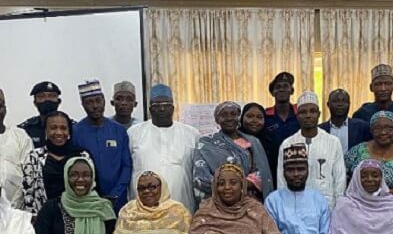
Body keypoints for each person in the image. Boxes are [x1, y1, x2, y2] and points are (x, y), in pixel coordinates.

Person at [129, 84, 200, 212]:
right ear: (149, 109)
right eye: (156, 105)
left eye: (166, 104)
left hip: (182, 202)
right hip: (143, 204)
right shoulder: (134, 133)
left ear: (173, 107)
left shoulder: (191, 133)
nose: (161, 109)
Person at [193, 101, 273, 206]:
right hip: (217, 203)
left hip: (248, 202)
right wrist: (227, 189)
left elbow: (260, 172)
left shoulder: (252, 142)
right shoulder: (206, 143)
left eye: (233, 114)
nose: (229, 118)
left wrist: (239, 186)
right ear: (217, 119)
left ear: (239, 118)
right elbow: (201, 176)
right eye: (224, 115)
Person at [276, 91, 346, 209]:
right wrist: (286, 207)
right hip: (296, 205)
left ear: (319, 114)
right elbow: (281, 180)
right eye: (303, 112)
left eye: (312, 111)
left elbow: (339, 179)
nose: (308, 115)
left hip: (327, 205)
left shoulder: (333, 142)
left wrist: (337, 208)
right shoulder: (288, 144)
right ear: (297, 116)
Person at [72, 80, 132, 212]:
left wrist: (115, 194)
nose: (94, 106)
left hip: (117, 200)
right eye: (89, 102)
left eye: (98, 101)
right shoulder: (75, 131)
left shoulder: (119, 131)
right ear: (82, 104)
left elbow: (126, 165)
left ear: (104, 101)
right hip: (87, 201)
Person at [22, 110, 90, 218]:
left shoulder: (82, 156)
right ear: (45, 131)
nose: (58, 132)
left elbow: (91, 191)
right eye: (53, 128)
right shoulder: (34, 157)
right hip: (44, 220)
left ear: (69, 132)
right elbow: (28, 193)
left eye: (63, 128)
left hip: (77, 218)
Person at [345, 111, 393, 199]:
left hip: (391, 208)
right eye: (377, 128)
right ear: (371, 130)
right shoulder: (357, 151)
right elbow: (342, 177)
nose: (383, 132)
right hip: (356, 205)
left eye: (389, 128)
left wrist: (380, 193)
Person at [352, 64, 393, 139]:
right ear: (371, 87)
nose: (383, 88)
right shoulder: (361, 114)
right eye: (378, 84)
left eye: (387, 84)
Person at [262, 72, 299, 182]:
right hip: (272, 168)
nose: (281, 90)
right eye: (277, 87)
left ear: (291, 91)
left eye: (285, 86)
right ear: (272, 93)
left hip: (298, 167)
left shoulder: (300, 114)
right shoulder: (265, 116)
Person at [319, 89, 372, 154]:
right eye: (335, 101)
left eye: (344, 101)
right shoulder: (320, 130)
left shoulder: (362, 127)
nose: (340, 104)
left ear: (349, 104)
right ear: (328, 104)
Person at [17, 81, 66, 148]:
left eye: (51, 96)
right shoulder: (25, 129)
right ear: (35, 103)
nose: (47, 100)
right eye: (41, 96)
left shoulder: (72, 128)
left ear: (59, 101)